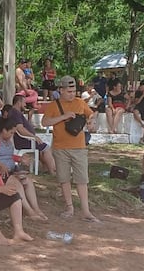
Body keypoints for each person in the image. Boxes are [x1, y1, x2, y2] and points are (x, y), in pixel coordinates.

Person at [41, 75, 99, 222]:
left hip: (79, 147)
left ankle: (86, 211)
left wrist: (92, 121)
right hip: (60, 147)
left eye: (73, 91)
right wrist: (63, 117)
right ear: (61, 90)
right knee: (64, 178)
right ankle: (69, 207)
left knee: (82, 179)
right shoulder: (53, 105)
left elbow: (91, 114)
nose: (72, 94)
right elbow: (45, 122)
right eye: (69, 91)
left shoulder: (80, 102)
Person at [0, 118, 47, 221]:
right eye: (11, 132)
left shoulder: (8, 141)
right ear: (4, 130)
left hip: (11, 170)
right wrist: (0, 165)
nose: (12, 135)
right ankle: (29, 211)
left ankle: (36, 209)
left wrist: (19, 159)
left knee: (27, 181)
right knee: (16, 184)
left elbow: (8, 156)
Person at [7, 94, 56, 174]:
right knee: (46, 148)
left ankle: (46, 168)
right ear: (19, 102)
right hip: (24, 141)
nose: (25, 105)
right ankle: (52, 170)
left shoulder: (17, 113)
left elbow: (25, 126)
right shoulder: (15, 113)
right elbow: (20, 129)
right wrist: (33, 136)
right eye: (24, 102)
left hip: (27, 140)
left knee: (41, 148)